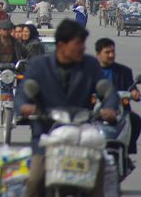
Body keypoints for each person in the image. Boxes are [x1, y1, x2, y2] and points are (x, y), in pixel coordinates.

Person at [16, 19, 119, 197]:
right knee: (35, 180)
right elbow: (23, 92)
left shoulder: (90, 65)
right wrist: (25, 106)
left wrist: (110, 107)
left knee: (99, 171)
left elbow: (107, 90)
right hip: (46, 136)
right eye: (78, 44)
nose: (83, 48)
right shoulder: (39, 65)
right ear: (62, 44)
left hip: (82, 136)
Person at [95, 38, 141, 156]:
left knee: (135, 120)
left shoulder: (124, 71)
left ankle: (128, 151)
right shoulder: (90, 72)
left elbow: (131, 87)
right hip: (96, 111)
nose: (111, 55)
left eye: (113, 52)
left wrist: (135, 93)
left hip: (120, 111)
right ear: (98, 54)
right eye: (107, 52)